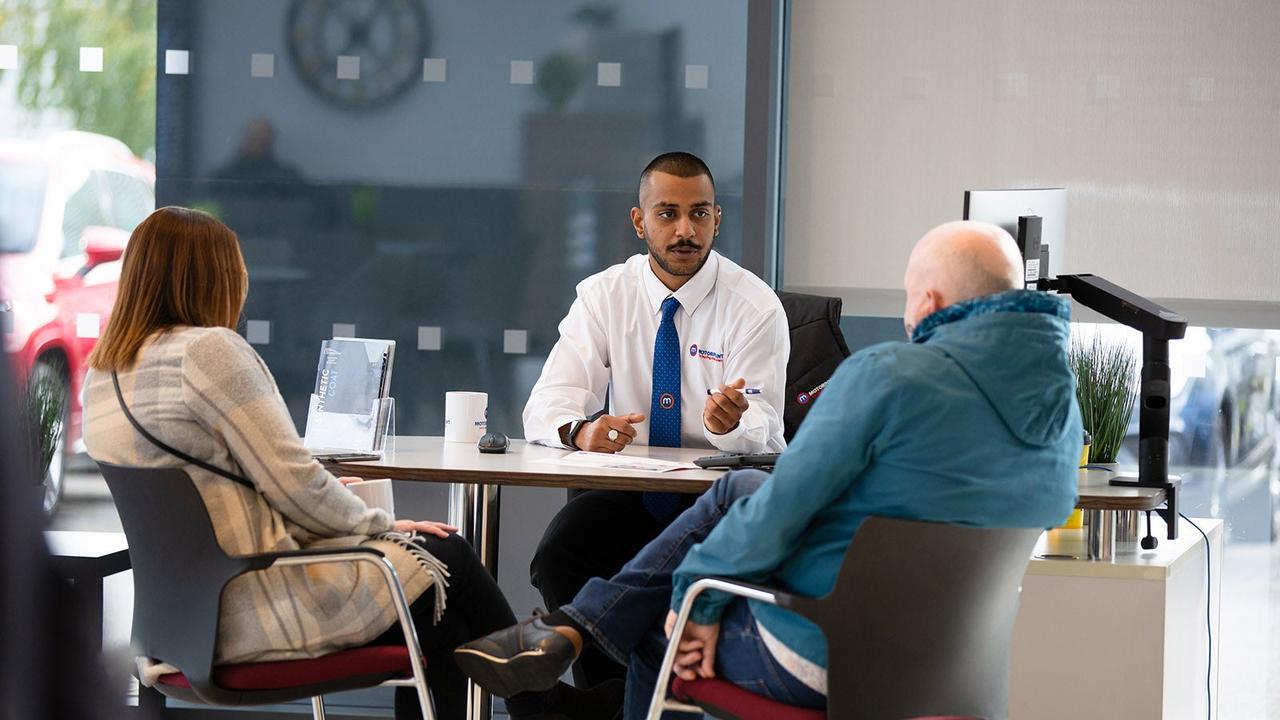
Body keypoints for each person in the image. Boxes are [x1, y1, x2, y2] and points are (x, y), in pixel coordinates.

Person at [453, 220, 1082, 718]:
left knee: (658, 629)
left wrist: (693, 600)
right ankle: (573, 628)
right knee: (739, 488)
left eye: (910, 302)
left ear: (933, 301)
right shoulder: (1063, 412)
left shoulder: (889, 374)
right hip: (958, 664)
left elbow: (785, 510)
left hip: (827, 650)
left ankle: (575, 631)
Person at [80, 207, 618, 720]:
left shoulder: (104, 372)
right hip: (252, 611)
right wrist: (381, 529)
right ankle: (542, 707)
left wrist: (375, 532)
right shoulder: (208, 353)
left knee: (438, 597)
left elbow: (221, 496)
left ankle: (541, 707)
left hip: (176, 624)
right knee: (446, 557)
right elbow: (295, 484)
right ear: (214, 278)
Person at [523, 151, 789, 687]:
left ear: (718, 218)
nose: (685, 230)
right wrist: (582, 431)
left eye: (699, 213)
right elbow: (548, 400)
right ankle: (607, 698)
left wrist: (729, 423)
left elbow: (768, 429)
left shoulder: (754, 306)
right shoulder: (604, 296)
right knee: (560, 552)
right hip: (631, 493)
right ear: (640, 222)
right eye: (667, 213)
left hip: (712, 504)